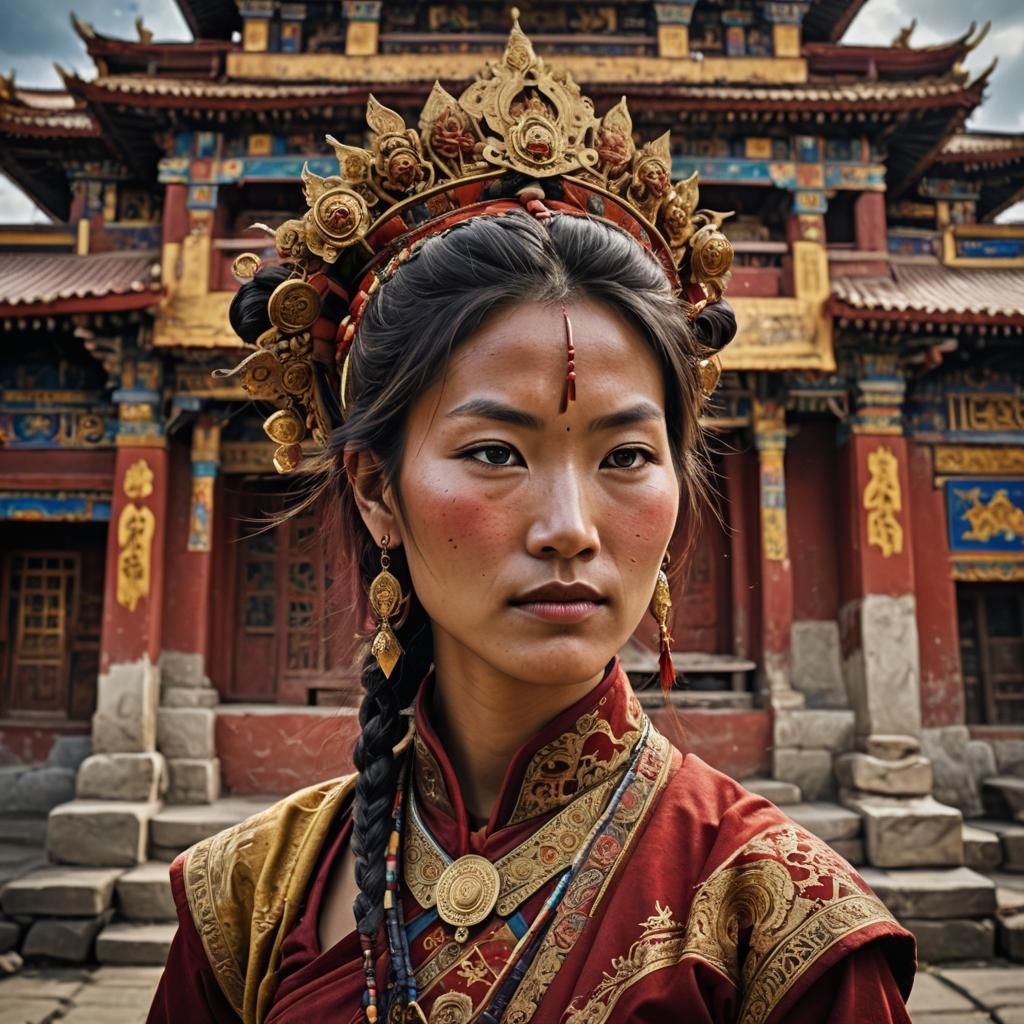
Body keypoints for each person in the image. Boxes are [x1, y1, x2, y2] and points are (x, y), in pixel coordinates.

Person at [148, 20, 915, 1024]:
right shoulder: (246, 897)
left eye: (626, 457)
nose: (570, 527)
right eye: (495, 453)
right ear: (375, 490)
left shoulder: (776, 923)